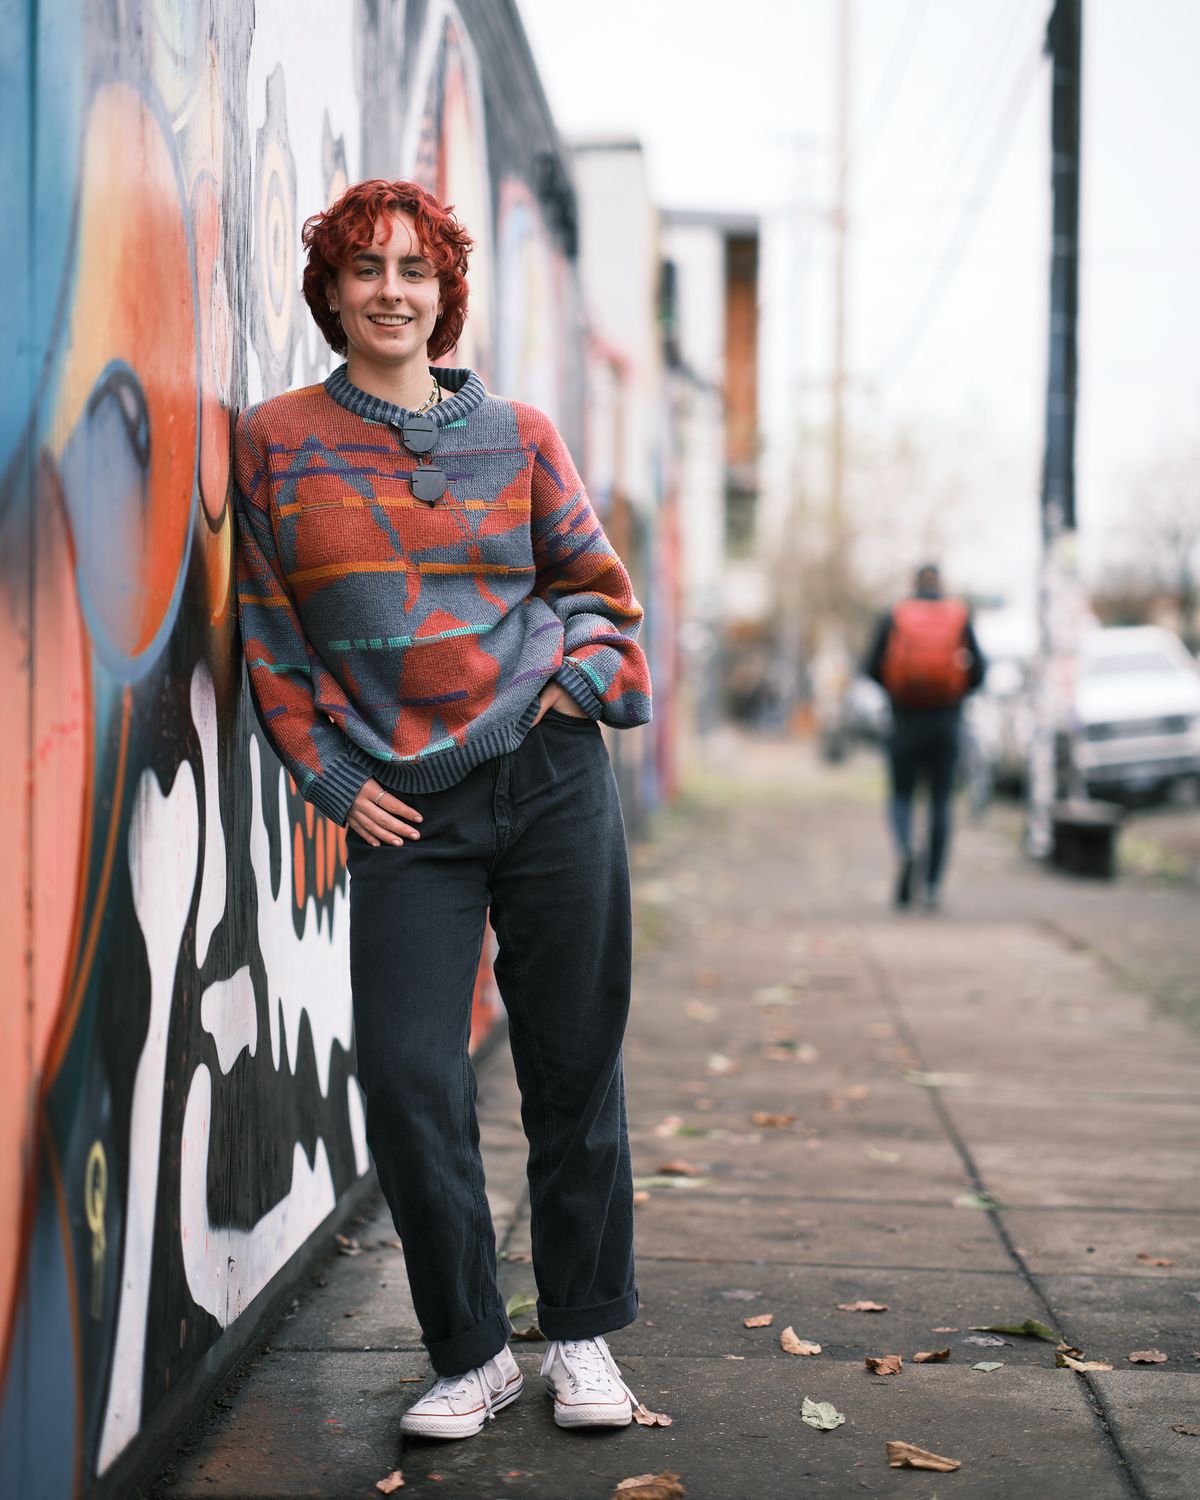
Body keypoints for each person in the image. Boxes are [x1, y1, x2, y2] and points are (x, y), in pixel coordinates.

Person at [234, 180, 651, 1440]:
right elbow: (267, 637)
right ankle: (472, 1352)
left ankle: (580, 1340)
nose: (391, 291)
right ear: (331, 292)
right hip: (405, 812)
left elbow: (602, 594)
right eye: (365, 269)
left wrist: (576, 690)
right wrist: (334, 780)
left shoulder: (519, 433)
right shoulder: (273, 442)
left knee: (572, 1069)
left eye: (414, 269)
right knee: (413, 1074)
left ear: (444, 292)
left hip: (549, 778)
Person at [864, 564, 985, 910]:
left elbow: (871, 666)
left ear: (913, 583)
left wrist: (896, 693)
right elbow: (980, 671)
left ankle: (905, 849)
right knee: (940, 802)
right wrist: (956, 696)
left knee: (901, 796)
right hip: (946, 721)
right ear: (941, 584)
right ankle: (931, 886)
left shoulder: (895, 615)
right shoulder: (959, 615)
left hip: (904, 721)